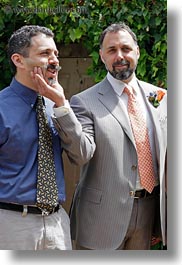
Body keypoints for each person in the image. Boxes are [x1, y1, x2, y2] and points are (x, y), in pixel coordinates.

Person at [33, 22, 167, 250]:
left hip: (149, 212)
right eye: (112, 50)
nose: (120, 55)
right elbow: (81, 154)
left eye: (125, 48)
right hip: (101, 218)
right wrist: (61, 106)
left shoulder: (160, 96)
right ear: (102, 56)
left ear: (137, 52)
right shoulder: (85, 101)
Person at [0, 25, 72, 250]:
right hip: (11, 224)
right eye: (44, 53)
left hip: (57, 222)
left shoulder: (58, 106)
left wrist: (61, 105)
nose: (54, 61)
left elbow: (83, 154)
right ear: (18, 60)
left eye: (55, 54)